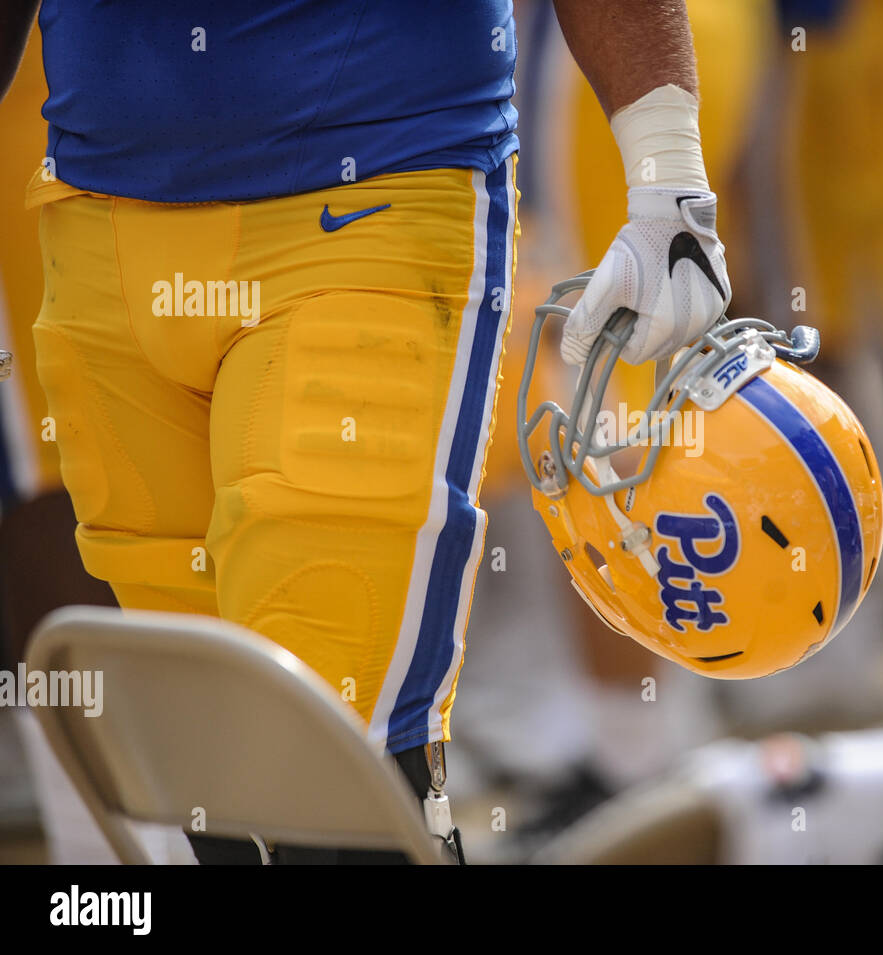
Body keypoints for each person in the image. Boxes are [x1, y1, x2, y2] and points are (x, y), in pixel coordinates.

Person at [0, 0, 730, 863]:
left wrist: (668, 175)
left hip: (367, 195)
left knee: (336, 769)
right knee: (209, 787)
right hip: (97, 215)